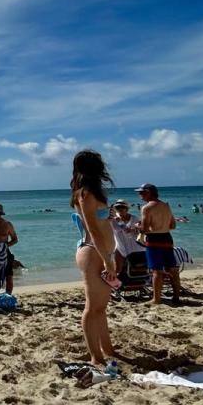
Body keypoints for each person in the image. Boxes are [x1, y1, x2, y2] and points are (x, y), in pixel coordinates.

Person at [70, 151, 117, 366]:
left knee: (101, 307)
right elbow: (93, 230)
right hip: (93, 253)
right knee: (92, 307)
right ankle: (95, 356)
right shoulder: (85, 193)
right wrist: (107, 259)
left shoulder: (92, 192)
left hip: (101, 253)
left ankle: (107, 349)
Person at [136, 183, 181, 304]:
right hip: (167, 238)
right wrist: (161, 226)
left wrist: (138, 227)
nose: (139, 195)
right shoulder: (166, 206)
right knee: (172, 269)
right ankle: (176, 297)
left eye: (142, 192)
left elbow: (144, 229)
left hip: (154, 240)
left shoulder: (146, 208)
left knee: (156, 271)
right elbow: (173, 225)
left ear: (149, 193)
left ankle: (156, 299)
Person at [109, 200, 144, 274]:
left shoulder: (134, 218)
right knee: (117, 270)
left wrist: (135, 229)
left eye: (122, 207)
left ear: (127, 209)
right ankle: (117, 284)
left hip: (135, 247)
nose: (120, 209)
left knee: (139, 269)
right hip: (120, 246)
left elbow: (141, 230)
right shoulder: (112, 220)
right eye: (118, 207)